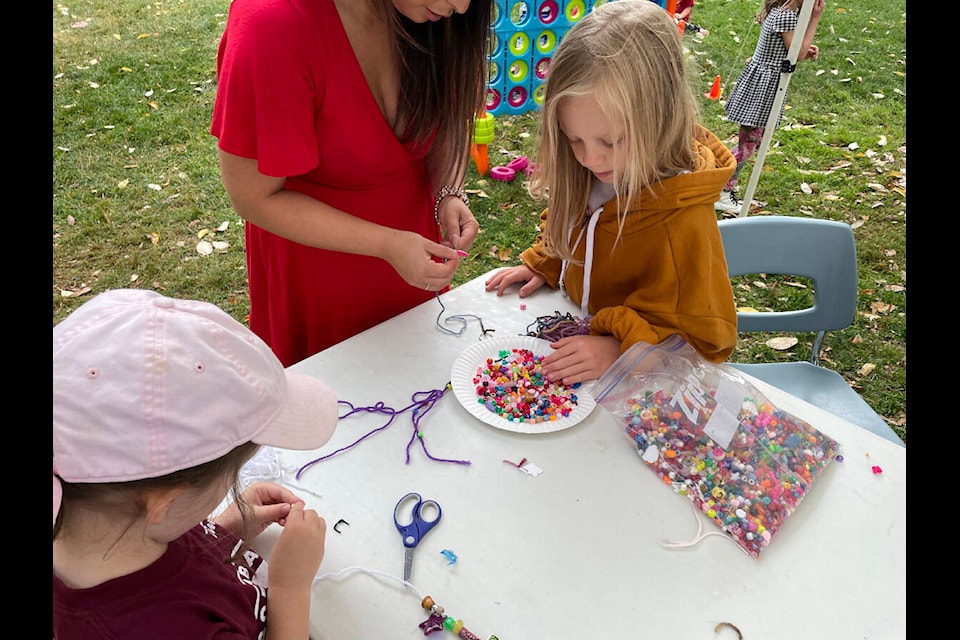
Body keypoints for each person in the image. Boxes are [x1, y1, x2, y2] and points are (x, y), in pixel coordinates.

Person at [210, 0, 491, 367]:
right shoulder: (273, 24)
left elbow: (445, 112)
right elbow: (254, 196)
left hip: (411, 272)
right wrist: (387, 244)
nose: (462, 4)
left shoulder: (431, 12)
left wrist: (447, 191)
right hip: (319, 284)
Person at [53, 289, 341, 639]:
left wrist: (226, 527)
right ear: (165, 501)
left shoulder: (102, 517)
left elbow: (177, 559)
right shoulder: (171, 629)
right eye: (230, 475)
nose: (232, 482)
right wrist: (290, 588)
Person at [484, 0, 738, 386]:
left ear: (661, 118)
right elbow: (580, 227)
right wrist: (547, 260)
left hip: (635, 386)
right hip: (574, 349)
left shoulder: (685, 222)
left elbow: (704, 346)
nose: (589, 158)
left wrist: (622, 350)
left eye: (610, 141)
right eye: (574, 139)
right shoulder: (593, 169)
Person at [715, 0, 824, 215]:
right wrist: (814, 19)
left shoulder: (779, 11)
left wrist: (803, 47)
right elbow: (797, 54)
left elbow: (791, 50)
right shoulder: (786, 17)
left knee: (749, 142)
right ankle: (721, 191)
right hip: (763, 88)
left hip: (760, 84)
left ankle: (719, 184)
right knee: (748, 145)